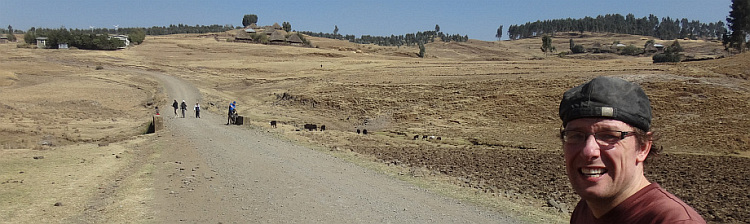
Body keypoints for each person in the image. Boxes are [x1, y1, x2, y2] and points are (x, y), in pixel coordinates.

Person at [558, 76, 705, 223]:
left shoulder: (673, 221)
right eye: (575, 136)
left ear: (643, 147)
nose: (588, 151)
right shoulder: (586, 210)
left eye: (609, 136)